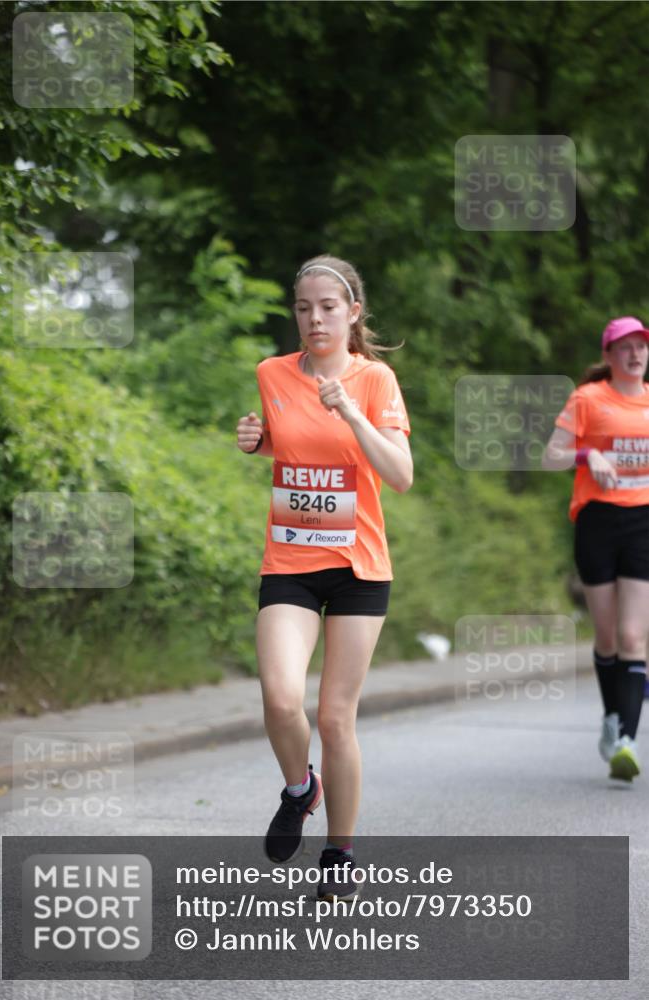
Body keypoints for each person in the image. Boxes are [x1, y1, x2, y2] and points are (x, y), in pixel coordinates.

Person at [236, 254, 412, 899]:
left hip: (359, 568)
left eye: (328, 307)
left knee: (336, 718)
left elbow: (399, 474)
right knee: (282, 698)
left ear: (353, 313)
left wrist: (354, 414)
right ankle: (298, 788)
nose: (315, 318)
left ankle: (340, 854)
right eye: (305, 307)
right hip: (290, 561)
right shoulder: (271, 373)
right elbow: (297, 447)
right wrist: (261, 443)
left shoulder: (375, 380)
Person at [543, 316, 649, 781]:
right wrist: (589, 454)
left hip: (643, 522)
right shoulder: (588, 399)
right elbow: (551, 456)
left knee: (631, 637)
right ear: (608, 356)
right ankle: (611, 719)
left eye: (641, 346)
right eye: (624, 348)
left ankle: (627, 739)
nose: (634, 354)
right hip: (597, 522)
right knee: (606, 638)